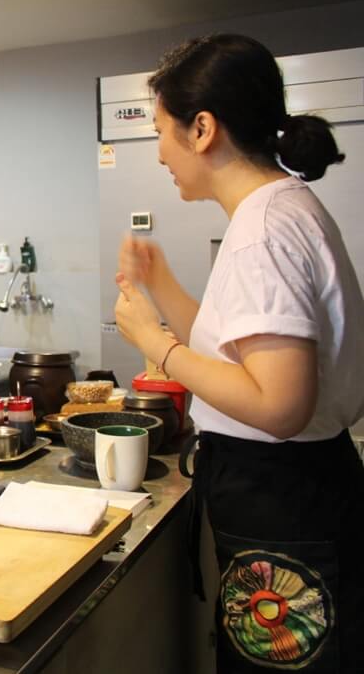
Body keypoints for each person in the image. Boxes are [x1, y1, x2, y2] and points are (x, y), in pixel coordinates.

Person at [113, 33, 364, 672]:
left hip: (283, 496)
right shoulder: (279, 208)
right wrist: (161, 286)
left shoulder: (260, 231)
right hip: (298, 489)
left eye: (163, 131)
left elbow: (278, 403)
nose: (162, 152)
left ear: (202, 129)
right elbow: (236, 356)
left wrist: (154, 344)